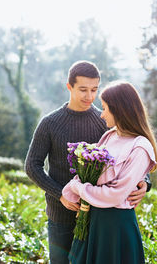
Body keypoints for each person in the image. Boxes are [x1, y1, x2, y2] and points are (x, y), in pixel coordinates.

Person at [25, 61, 151, 264]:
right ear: (69, 87)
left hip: (96, 216)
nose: (89, 96)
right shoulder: (49, 123)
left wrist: (144, 181)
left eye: (94, 90)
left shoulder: (106, 120)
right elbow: (32, 166)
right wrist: (61, 196)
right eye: (83, 90)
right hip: (61, 215)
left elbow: (127, 153)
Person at [62, 81, 157, 264]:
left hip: (115, 227)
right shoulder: (109, 136)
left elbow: (115, 195)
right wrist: (71, 191)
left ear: (119, 109)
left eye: (105, 108)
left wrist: (77, 187)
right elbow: (89, 175)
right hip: (92, 219)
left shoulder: (140, 147)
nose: (101, 114)